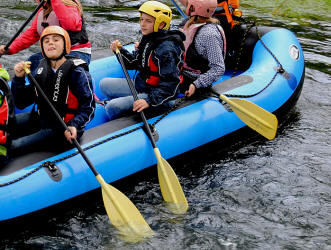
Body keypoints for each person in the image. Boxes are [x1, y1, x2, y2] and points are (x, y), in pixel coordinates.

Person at [4, 26, 95, 162]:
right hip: (40, 118)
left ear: (66, 45)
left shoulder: (77, 72)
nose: (50, 43)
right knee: (4, 125)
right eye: (46, 41)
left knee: (13, 146)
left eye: (56, 39)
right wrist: (19, 78)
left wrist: (74, 125)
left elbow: (89, 107)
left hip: (61, 128)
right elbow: (21, 103)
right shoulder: (40, 69)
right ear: (42, 47)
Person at [99, 1, 185, 120]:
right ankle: (128, 105)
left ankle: (127, 117)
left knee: (112, 107)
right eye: (142, 19)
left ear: (161, 24)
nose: (142, 24)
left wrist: (148, 101)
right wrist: (120, 51)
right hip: (143, 85)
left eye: (148, 21)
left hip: (157, 95)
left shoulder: (166, 50)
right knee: (104, 84)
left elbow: (171, 85)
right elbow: (133, 63)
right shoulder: (149, 38)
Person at [0, 0, 91, 75]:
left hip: (76, 52)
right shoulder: (43, 10)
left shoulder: (69, 5)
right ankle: (36, 92)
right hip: (54, 53)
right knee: (33, 61)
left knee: (62, 68)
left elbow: (71, 25)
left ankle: (85, 91)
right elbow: (31, 34)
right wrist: (9, 48)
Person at [180, 0, 226, 98]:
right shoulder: (189, 23)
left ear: (192, 8)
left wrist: (196, 84)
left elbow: (218, 68)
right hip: (182, 72)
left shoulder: (209, 34)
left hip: (194, 79)